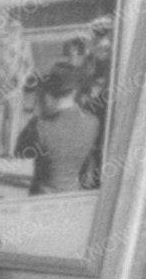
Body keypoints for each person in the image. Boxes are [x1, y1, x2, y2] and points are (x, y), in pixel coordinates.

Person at [30, 65, 100, 195]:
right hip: (72, 193)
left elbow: (20, 151)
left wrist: (40, 111)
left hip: (43, 194)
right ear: (74, 91)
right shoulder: (93, 122)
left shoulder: (41, 125)